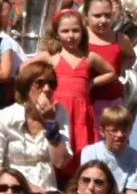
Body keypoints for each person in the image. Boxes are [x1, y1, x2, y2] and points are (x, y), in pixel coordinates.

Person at [0, 61, 72, 194]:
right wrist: (27, 186)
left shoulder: (59, 113)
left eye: (51, 84)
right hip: (13, 191)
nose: (46, 89)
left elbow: (61, 162)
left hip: (48, 192)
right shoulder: (4, 117)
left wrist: (50, 123)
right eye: (39, 83)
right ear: (26, 87)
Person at [35, 8, 112, 158]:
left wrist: (92, 82)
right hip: (58, 109)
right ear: (56, 34)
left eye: (75, 31)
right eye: (65, 31)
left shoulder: (89, 57)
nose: (71, 36)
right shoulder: (51, 56)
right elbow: (25, 69)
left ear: (83, 32)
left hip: (81, 113)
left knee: (82, 151)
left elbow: (111, 72)